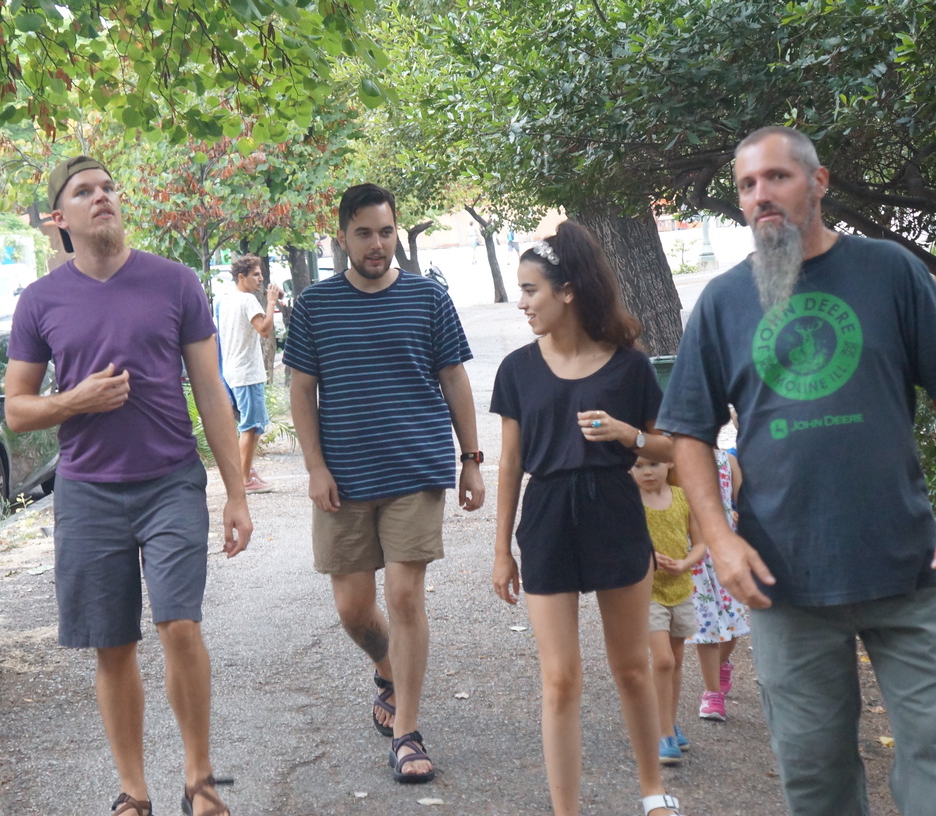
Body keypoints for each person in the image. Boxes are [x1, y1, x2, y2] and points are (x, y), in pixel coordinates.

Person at [658, 126, 936, 816]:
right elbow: (687, 431)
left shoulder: (889, 271)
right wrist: (719, 539)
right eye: (747, 184)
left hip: (907, 564)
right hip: (785, 580)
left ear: (819, 182)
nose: (761, 195)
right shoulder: (723, 301)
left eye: (777, 177)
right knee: (814, 776)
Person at [5, 156, 253, 816]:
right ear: (58, 218)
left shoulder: (174, 282)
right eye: (85, 191)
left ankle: (199, 781)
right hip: (88, 491)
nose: (103, 197)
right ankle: (134, 792)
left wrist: (235, 492)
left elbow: (211, 391)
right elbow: (17, 409)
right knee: (112, 646)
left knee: (180, 626)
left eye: (109, 187)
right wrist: (75, 401)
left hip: (170, 481)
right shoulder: (40, 301)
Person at [284, 183, 485, 784]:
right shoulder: (315, 305)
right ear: (342, 237)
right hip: (343, 478)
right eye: (365, 233)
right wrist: (315, 467)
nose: (377, 244)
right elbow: (301, 391)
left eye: (386, 232)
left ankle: (407, 732)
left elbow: (454, 379)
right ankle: (387, 668)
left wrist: (471, 458)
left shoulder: (429, 297)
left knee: (404, 597)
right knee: (352, 608)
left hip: (414, 470)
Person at [490, 221, 687, 816]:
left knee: (632, 668)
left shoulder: (629, 367)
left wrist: (629, 434)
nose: (522, 303)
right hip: (547, 518)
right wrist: (501, 549)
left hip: (615, 514)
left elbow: (672, 449)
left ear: (568, 291)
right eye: (521, 291)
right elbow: (510, 463)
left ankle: (653, 792)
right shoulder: (517, 369)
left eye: (531, 290)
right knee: (560, 678)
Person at [631, 456, 706, 765]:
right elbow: (621, 541)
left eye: (654, 464)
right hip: (647, 592)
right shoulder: (631, 502)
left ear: (670, 463)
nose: (647, 472)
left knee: (675, 662)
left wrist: (685, 564)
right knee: (662, 660)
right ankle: (661, 733)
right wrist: (647, 557)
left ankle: (669, 723)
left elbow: (700, 544)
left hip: (680, 590)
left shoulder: (682, 497)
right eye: (638, 466)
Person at [685, 447, 749, 721]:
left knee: (735, 617)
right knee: (706, 623)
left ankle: (722, 664)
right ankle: (712, 693)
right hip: (694, 550)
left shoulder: (727, 460)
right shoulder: (677, 458)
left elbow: (745, 500)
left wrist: (741, 516)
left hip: (726, 550)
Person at [215, 253, 284, 494]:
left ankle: (245, 471)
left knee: (250, 426)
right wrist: (271, 302)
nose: (260, 279)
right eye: (256, 274)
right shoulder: (247, 300)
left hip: (232, 372)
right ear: (241, 277)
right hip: (247, 373)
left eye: (261, 274)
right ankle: (244, 480)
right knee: (252, 427)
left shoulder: (225, 299)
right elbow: (264, 330)